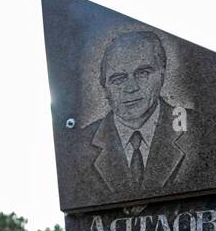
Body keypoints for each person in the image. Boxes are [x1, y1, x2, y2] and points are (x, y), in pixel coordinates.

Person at [70, 30, 194, 195]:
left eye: (143, 73)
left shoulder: (199, 128)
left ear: (162, 76)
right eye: (118, 79)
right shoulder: (79, 144)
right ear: (105, 87)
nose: (131, 88)